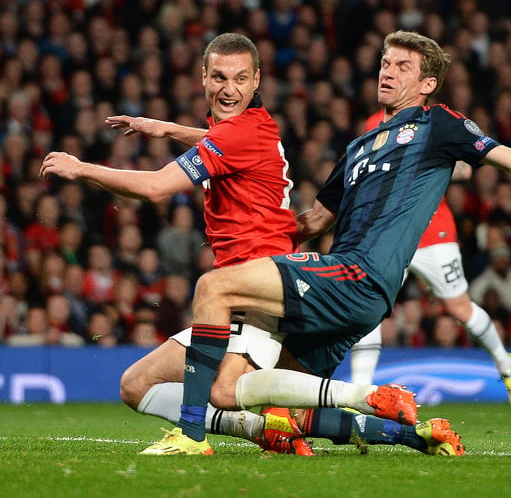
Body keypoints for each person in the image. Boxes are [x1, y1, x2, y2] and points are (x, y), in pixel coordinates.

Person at [122, 30, 511, 455]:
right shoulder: (360, 145)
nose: (388, 70)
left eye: (403, 65)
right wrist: (241, 193)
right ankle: (418, 433)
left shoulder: (439, 126)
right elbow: (310, 221)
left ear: (427, 84)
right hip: (337, 283)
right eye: (386, 61)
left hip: (360, 275)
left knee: (214, 288)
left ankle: (190, 435)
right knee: (255, 396)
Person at [41, 33, 443, 457]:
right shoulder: (247, 130)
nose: (228, 89)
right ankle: (405, 434)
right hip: (248, 291)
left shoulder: (238, 135)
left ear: (256, 81)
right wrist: (169, 129)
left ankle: (206, 432)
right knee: (136, 385)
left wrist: (81, 168)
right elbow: (219, 141)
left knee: (226, 390)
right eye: (218, 77)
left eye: (239, 79)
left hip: (255, 287)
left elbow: (157, 187)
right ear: (203, 77)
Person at [348, 111, 511, 410]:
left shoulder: (433, 119)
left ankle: (506, 366)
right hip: (389, 234)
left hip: (434, 232)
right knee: (369, 306)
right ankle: (357, 394)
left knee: (460, 308)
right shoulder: (371, 124)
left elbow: (465, 170)